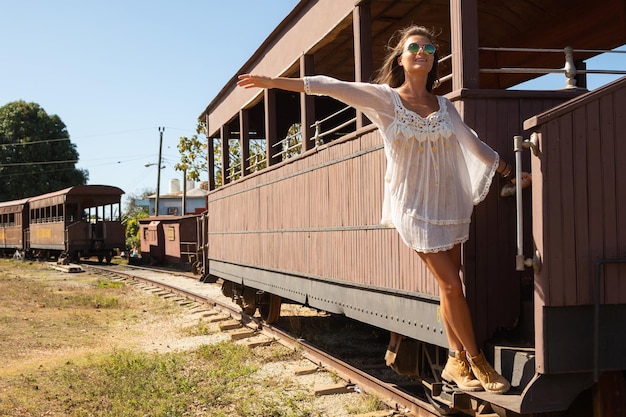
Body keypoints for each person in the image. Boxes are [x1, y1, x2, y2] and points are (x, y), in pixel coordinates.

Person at [237, 25, 531, 394]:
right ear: (401, 58)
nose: (422, 51)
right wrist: (274, 82)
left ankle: (455, 362)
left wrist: (510, 171)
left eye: (429, 47)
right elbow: (330, 85)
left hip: (449, 204)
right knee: (454, 286)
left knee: (448, 286)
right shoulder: (385, 100)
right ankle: (478, 362)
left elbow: (472, 144)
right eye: (414, 47)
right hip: (412, 207)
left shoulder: (445, 107)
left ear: (433, 58)